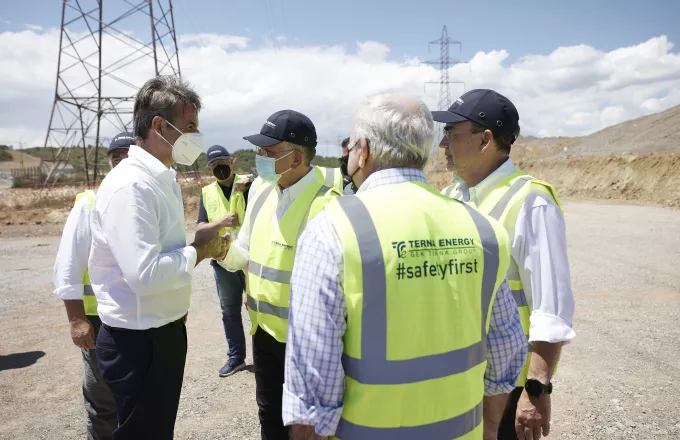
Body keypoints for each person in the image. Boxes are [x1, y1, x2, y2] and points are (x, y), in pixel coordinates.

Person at [282, 90, 528, 440]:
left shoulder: (332, 230)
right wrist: (488, 431)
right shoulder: (483, 229)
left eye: (351, 147)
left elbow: (313, 385)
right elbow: (505, 350)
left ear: (363, 150)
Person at [88, 76, 228, 440]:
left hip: (159, 333)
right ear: (159, 126)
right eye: (190, 126)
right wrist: (199, 250)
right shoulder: (131, 185)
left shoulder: (160, 178)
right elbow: (145, 274)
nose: (197, 136)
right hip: (138, 343)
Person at [433, 89, 576, 440]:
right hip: (458, 378)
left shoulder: (531, 202)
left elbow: (550, 309)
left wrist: (535, 389)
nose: (442, 144)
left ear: (485, 139)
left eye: (452, 134)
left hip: (508, 387)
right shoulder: (451, 197)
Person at [222, 109, 341, 440]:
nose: (259, 157)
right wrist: (219, 251)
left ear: (297, 157)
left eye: (268, 152)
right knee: (269, 412)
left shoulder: (328, 202)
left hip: (306, 340)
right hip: (264, 332)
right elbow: (243, 252)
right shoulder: (261, 189)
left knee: (306, 423)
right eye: (259, 150)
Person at [52, 132, 133, 440]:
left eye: (127, 158)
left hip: (136, 318)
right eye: (116, 160)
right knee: (103, 403)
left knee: (135, 400)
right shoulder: (90, 203)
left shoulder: (147, 200)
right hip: (98, 323)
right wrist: (76, 319)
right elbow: (67, 264)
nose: (121, 165)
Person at [196, 144, 253, 377]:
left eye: (223, 162)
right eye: (213, 165)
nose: (219, 168)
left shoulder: (250, 184)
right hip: (224, 259)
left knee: (258, 308)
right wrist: (220, 223)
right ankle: (236, 357)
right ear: (209, 167)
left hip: (252, 259)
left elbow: (267, 185)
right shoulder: (206, 192)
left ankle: (266, 356)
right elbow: (200, 227)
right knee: (229, 311)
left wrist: (250, 183)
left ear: (233, 160)